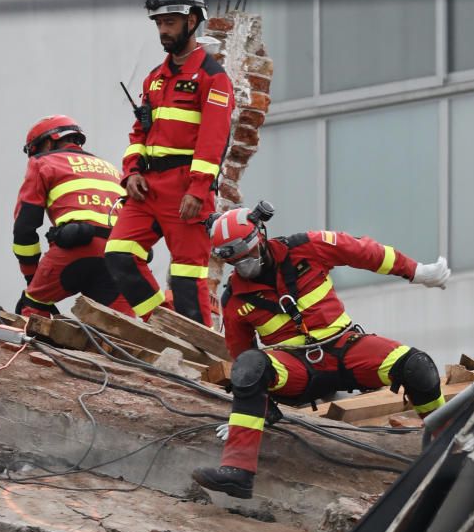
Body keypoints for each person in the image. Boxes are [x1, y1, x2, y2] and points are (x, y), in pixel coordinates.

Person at [191, 203, 451, 499]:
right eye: (236, 261)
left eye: (249, 254)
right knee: (250, 365)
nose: (245, 265)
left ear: (260, 237)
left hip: (346, 350)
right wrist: (251, 411)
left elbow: (363, 251)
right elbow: (242, 355)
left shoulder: (306, 247)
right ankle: (237, 472)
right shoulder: (235, 298)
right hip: (296, 370)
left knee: (417, 366)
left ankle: (446, 445)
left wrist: (416, 271)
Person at [104, 0, 234, 326]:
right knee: (118, 254)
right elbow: (140, 133)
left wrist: (198, 188)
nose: (162, 30)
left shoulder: (213, 77)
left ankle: (202, 358)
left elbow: (214, 138)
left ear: (192, 21)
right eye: (159, 23)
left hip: (186, 189)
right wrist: (130, 172)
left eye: (170, 22)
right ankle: (162, 323)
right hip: (146, 187)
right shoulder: (154, 79)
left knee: (187, 278)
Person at [12, 115, 133, 317]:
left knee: (32, 308)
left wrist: (32, 278)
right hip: (119, 257)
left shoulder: (42, 162)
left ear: (49, 142)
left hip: (76, 248)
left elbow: (24, 229)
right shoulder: (111, 169)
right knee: (119, 329)